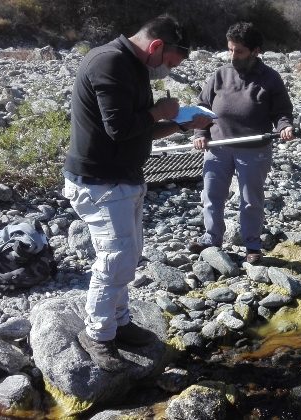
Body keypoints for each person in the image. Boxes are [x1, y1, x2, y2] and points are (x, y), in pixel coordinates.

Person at [63, 14, 212, 371]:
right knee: (115, 257)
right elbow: (118, 128)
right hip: (100, 181)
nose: (168, 71)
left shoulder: (133, 65)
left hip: (123, 177)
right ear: (156, 46)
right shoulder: (109, 63)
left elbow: (137, 130)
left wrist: (177, 125)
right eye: (170, 63)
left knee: (128, 255)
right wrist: (160, 110)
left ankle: (120, 321)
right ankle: (97, 333)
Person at [189, 22, 294, 264]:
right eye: (230, 50)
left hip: (253, 150)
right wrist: (200, 135)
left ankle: (252, 245)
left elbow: (281, 112)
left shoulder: (270, 79)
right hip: (217, 147)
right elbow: (202, 108)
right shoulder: (219, 76)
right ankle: (211, 238)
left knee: (250, 200)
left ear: (255, 51)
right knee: (212, 195)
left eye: (239, 51)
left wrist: (285, 127)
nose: (233, 55)